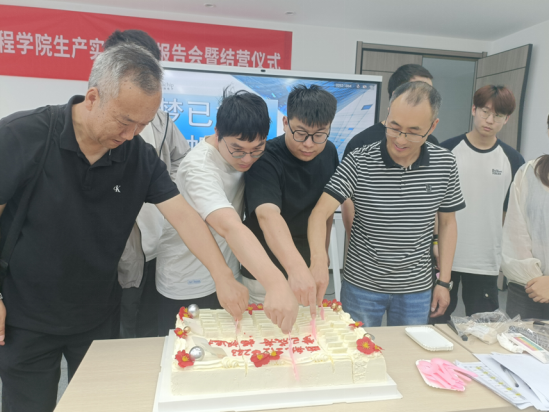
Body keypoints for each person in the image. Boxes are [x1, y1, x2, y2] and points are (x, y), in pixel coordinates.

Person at [0, 44, 277, 412]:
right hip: (25, 318)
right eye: (125, 121)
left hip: (97, 316)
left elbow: (184, 216)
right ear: (93, 97)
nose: (131, 134)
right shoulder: (22, 135)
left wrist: (222, 275)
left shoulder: (137, 156)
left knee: (97, 405)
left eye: (143, 125)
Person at [308, 81, 465, 327]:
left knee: (408, 348)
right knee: (356, 347)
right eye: (394, 127)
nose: (400, 139)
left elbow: (447, 223)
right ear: (388, 114)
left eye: (413, 132)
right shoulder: (360, 160)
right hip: (362, 285)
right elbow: (319, 213)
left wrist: (444, 282)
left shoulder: (445, 163)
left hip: (416, 288)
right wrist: (319, 260)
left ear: (432, 126)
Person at [155, 90, 298, 336]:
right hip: (187, 278)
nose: (247, 159)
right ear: (217, 133)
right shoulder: (198, 168)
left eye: (257, 149)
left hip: (229, 276)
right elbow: (229, 225)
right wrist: (276, 283)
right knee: (189, 349)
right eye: (237, 149)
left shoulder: (249, 155)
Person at [103, 29, 191, 339]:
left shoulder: (161, 120)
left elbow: (182, 160)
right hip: (113, 243)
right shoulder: (99, 116)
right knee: (117, 321)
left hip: (155, 236)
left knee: (148, 319)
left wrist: (160, 186)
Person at [241, 85, 339, 309]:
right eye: (300, 133)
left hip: (308, 267)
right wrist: (296, 269)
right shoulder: (265, 157)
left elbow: (326, 211)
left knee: (308, 330)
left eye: (319, 135)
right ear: (285, 123)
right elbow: (267, 215)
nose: (309, 144)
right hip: (265, 272)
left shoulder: (329, 152)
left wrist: (322, 256)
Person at [436, 85, 524, 322]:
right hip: (444, 256)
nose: (490, 120)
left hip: (485, 261)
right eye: (485, 111)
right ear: (474, 109)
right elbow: (433, 206)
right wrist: (434, 243)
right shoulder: (446, 151)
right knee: (435, 323)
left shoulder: (513, 160)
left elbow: (509, 214)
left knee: (484, 329)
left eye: (498, 115)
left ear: (507, 119)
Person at [341, 64, 439, 245]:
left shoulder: (432, 144)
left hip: (418, 252)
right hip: (370, 251)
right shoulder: (361, 143)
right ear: (396, 95)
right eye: (419, 90)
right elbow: (348, 202)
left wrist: (436, 241)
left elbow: (434, 201)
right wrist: (359, 246)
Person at [501, 115, 549, 320]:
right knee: (520, 340)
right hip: (528, 288)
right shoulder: (529, 172)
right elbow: (515, 233)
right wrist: (537, 280)